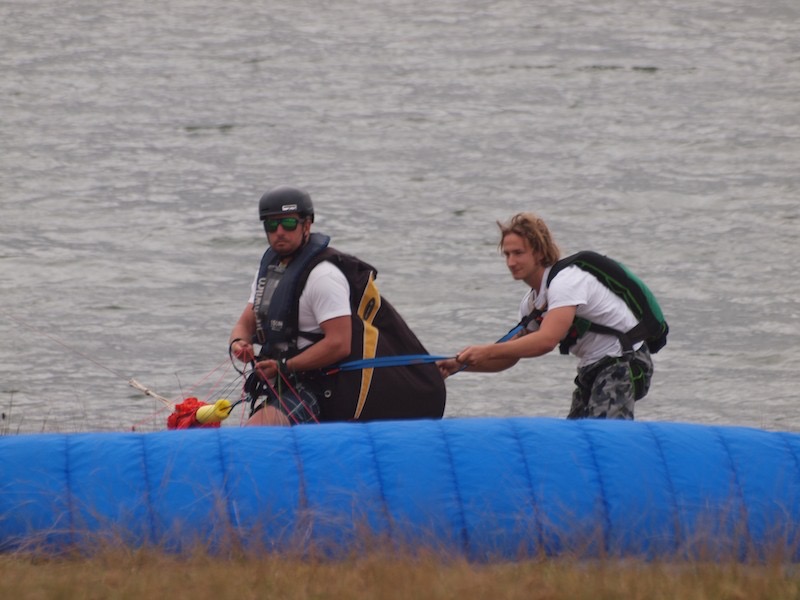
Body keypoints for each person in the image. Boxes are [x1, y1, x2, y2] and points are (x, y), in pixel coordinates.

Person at [229, 185, 445, 426]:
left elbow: (339, 344)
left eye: (288, 223)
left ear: (306, 225)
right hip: (282, 379)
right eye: (272, 225)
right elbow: (244, 324)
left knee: (256, 430)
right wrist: (239, 344)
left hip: (319, 386)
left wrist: (285, 366)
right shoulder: (270, 273)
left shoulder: (323, 277)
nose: (280, 231)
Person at [437, 212, 654, 420]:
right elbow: (510, 356)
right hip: (591, 368)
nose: (511, 262)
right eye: (507, 254)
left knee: (604, 440)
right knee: (575, 442)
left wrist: (486, 350)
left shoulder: (566, 282)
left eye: (518, 253)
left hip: (623, 361)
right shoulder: (531, 304)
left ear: (540, 252)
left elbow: (546, 341)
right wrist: (459, 366)